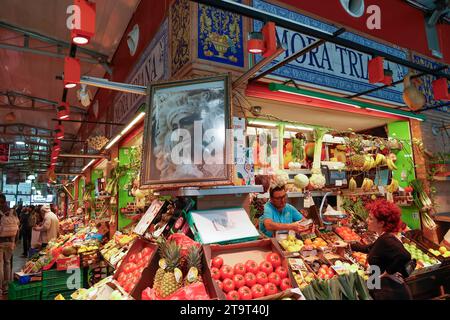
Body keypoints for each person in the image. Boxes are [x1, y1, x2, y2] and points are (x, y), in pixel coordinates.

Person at [350, 199, 413, 300]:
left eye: (370, 218)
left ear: (381, 223)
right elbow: (370, 248)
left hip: (391, 293)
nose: (366, 220)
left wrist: (388, 272)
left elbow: (405, 255)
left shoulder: (387, 239)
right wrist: (348, 245)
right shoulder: (383, 237)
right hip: (382, 288)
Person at [0, 194, 19, 296]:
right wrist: (15, 241)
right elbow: (17, 227)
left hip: (0, 241)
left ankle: (1, 288)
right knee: (7, 263)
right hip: (10, 241)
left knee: (0, 265)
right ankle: (6, 286)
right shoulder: (12, 211)